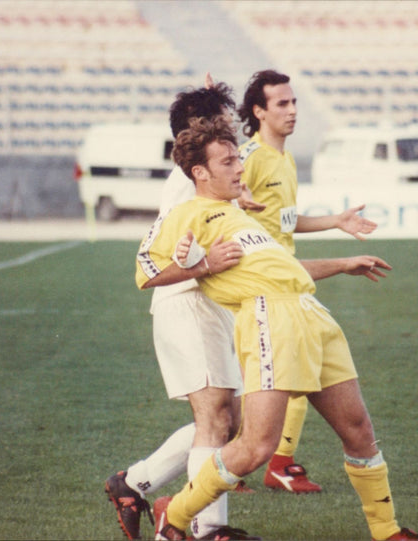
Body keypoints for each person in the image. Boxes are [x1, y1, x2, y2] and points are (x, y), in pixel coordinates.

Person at [136, 115, 418, 541]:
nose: (239, 168)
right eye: (229, 161)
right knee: (256, 447)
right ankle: (172, 514)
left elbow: (284, 268)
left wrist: (343, 264)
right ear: (200, 172)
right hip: (270, 319)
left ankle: (387, 531)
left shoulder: (240, 214)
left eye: (238, 159)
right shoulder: (187, 214)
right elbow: (146, 270)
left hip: (311, 313)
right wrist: (203, 265)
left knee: (359, 431)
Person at [105, 77, 259, 541]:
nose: (231, 132)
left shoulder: (213, 175)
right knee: (215, 420)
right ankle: (207, 527)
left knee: (228, 423)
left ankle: (132, 483)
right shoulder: (183, 186)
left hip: (209, 304)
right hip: (186, 304)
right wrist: (205, 265)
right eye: (220, 122)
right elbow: (150, 264)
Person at [236, 69, 378, 493]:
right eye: (282, 103)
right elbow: (221, 203)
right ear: (259, 111)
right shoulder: (251, 157)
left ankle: (269, 461)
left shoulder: (285, 159)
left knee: (299, 375)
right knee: (257, 389)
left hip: (289, 285)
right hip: (260, 289)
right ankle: (237, 464)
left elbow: (284, 220)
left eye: (294, 101)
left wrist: (336, 221)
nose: (293, 110)